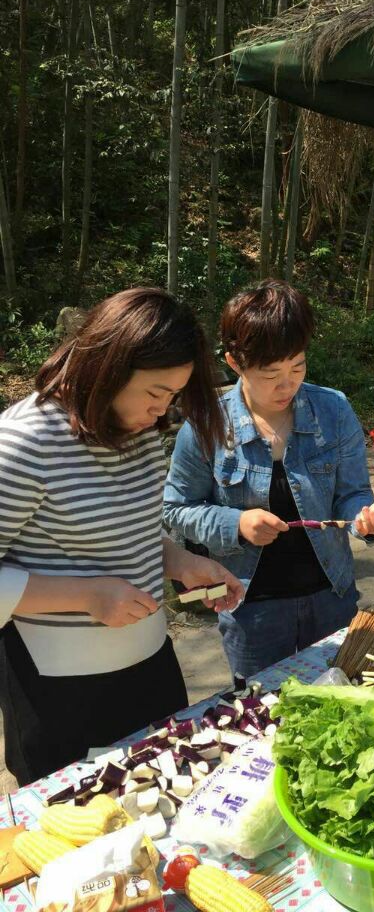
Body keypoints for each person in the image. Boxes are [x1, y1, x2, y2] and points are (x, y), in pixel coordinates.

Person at [0, 287, 244, 785]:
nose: (162, 410)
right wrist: (87, 597)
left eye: (173, 396)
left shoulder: (138, 429)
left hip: (150, 664)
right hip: (59, 688)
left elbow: (131, 527)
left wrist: (179, 562)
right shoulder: (24, 442)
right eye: (155, 394)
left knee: (172, 791)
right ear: (108, 368)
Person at [163, 280, 374, 678]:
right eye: (271, 373)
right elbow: (177, 508)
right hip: (250, 609)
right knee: (261, 707)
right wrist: (236, 523)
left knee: (344, 693)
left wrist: (366, 516)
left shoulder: (332, 410)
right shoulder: (207, 425)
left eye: (298, 367)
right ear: (235, 362)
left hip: (331, 597)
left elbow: (353, 493)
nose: (288, 385)